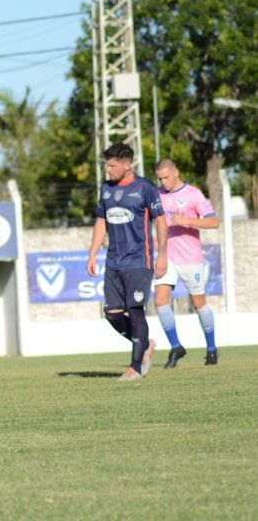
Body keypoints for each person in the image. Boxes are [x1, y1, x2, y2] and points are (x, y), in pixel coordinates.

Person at [87, 143, 167, 381]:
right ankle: (145, 343)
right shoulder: (106, 189)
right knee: (112, 313)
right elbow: (101, 222)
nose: (108, 170)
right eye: (107, 165)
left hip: (139, 260)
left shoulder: (145, 188)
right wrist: (92, 254)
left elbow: (160, 222)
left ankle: (135, 367)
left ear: (127, 164)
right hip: (113, 261)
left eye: (112, 165)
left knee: (135, 312)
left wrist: (162, 254)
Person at [154, 159, 221, 367]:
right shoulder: (157, 194)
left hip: (190, 258)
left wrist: (187, 221)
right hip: (167, 257)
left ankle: (211, 349)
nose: (163, 182)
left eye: (166, 177)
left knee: (198, 303)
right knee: (160, 300)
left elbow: (213, 221)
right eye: (160, 178)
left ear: (176, 172)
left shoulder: (192, 193)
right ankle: (176, 347)